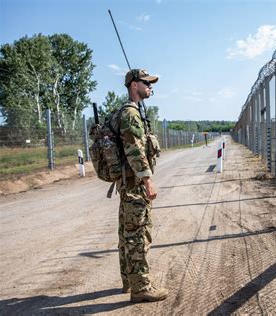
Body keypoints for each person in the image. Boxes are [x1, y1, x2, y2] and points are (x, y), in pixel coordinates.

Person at [115, 69, 168, 303]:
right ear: (134, 85)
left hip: (128, 183)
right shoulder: (130, 114)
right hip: (135, 184)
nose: (150, 87)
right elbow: (135, 151)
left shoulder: (131, 112)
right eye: (147, 83)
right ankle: (141, 287)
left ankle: (129, 280)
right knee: (137, 234)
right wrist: (148, 180)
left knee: (127, 232)